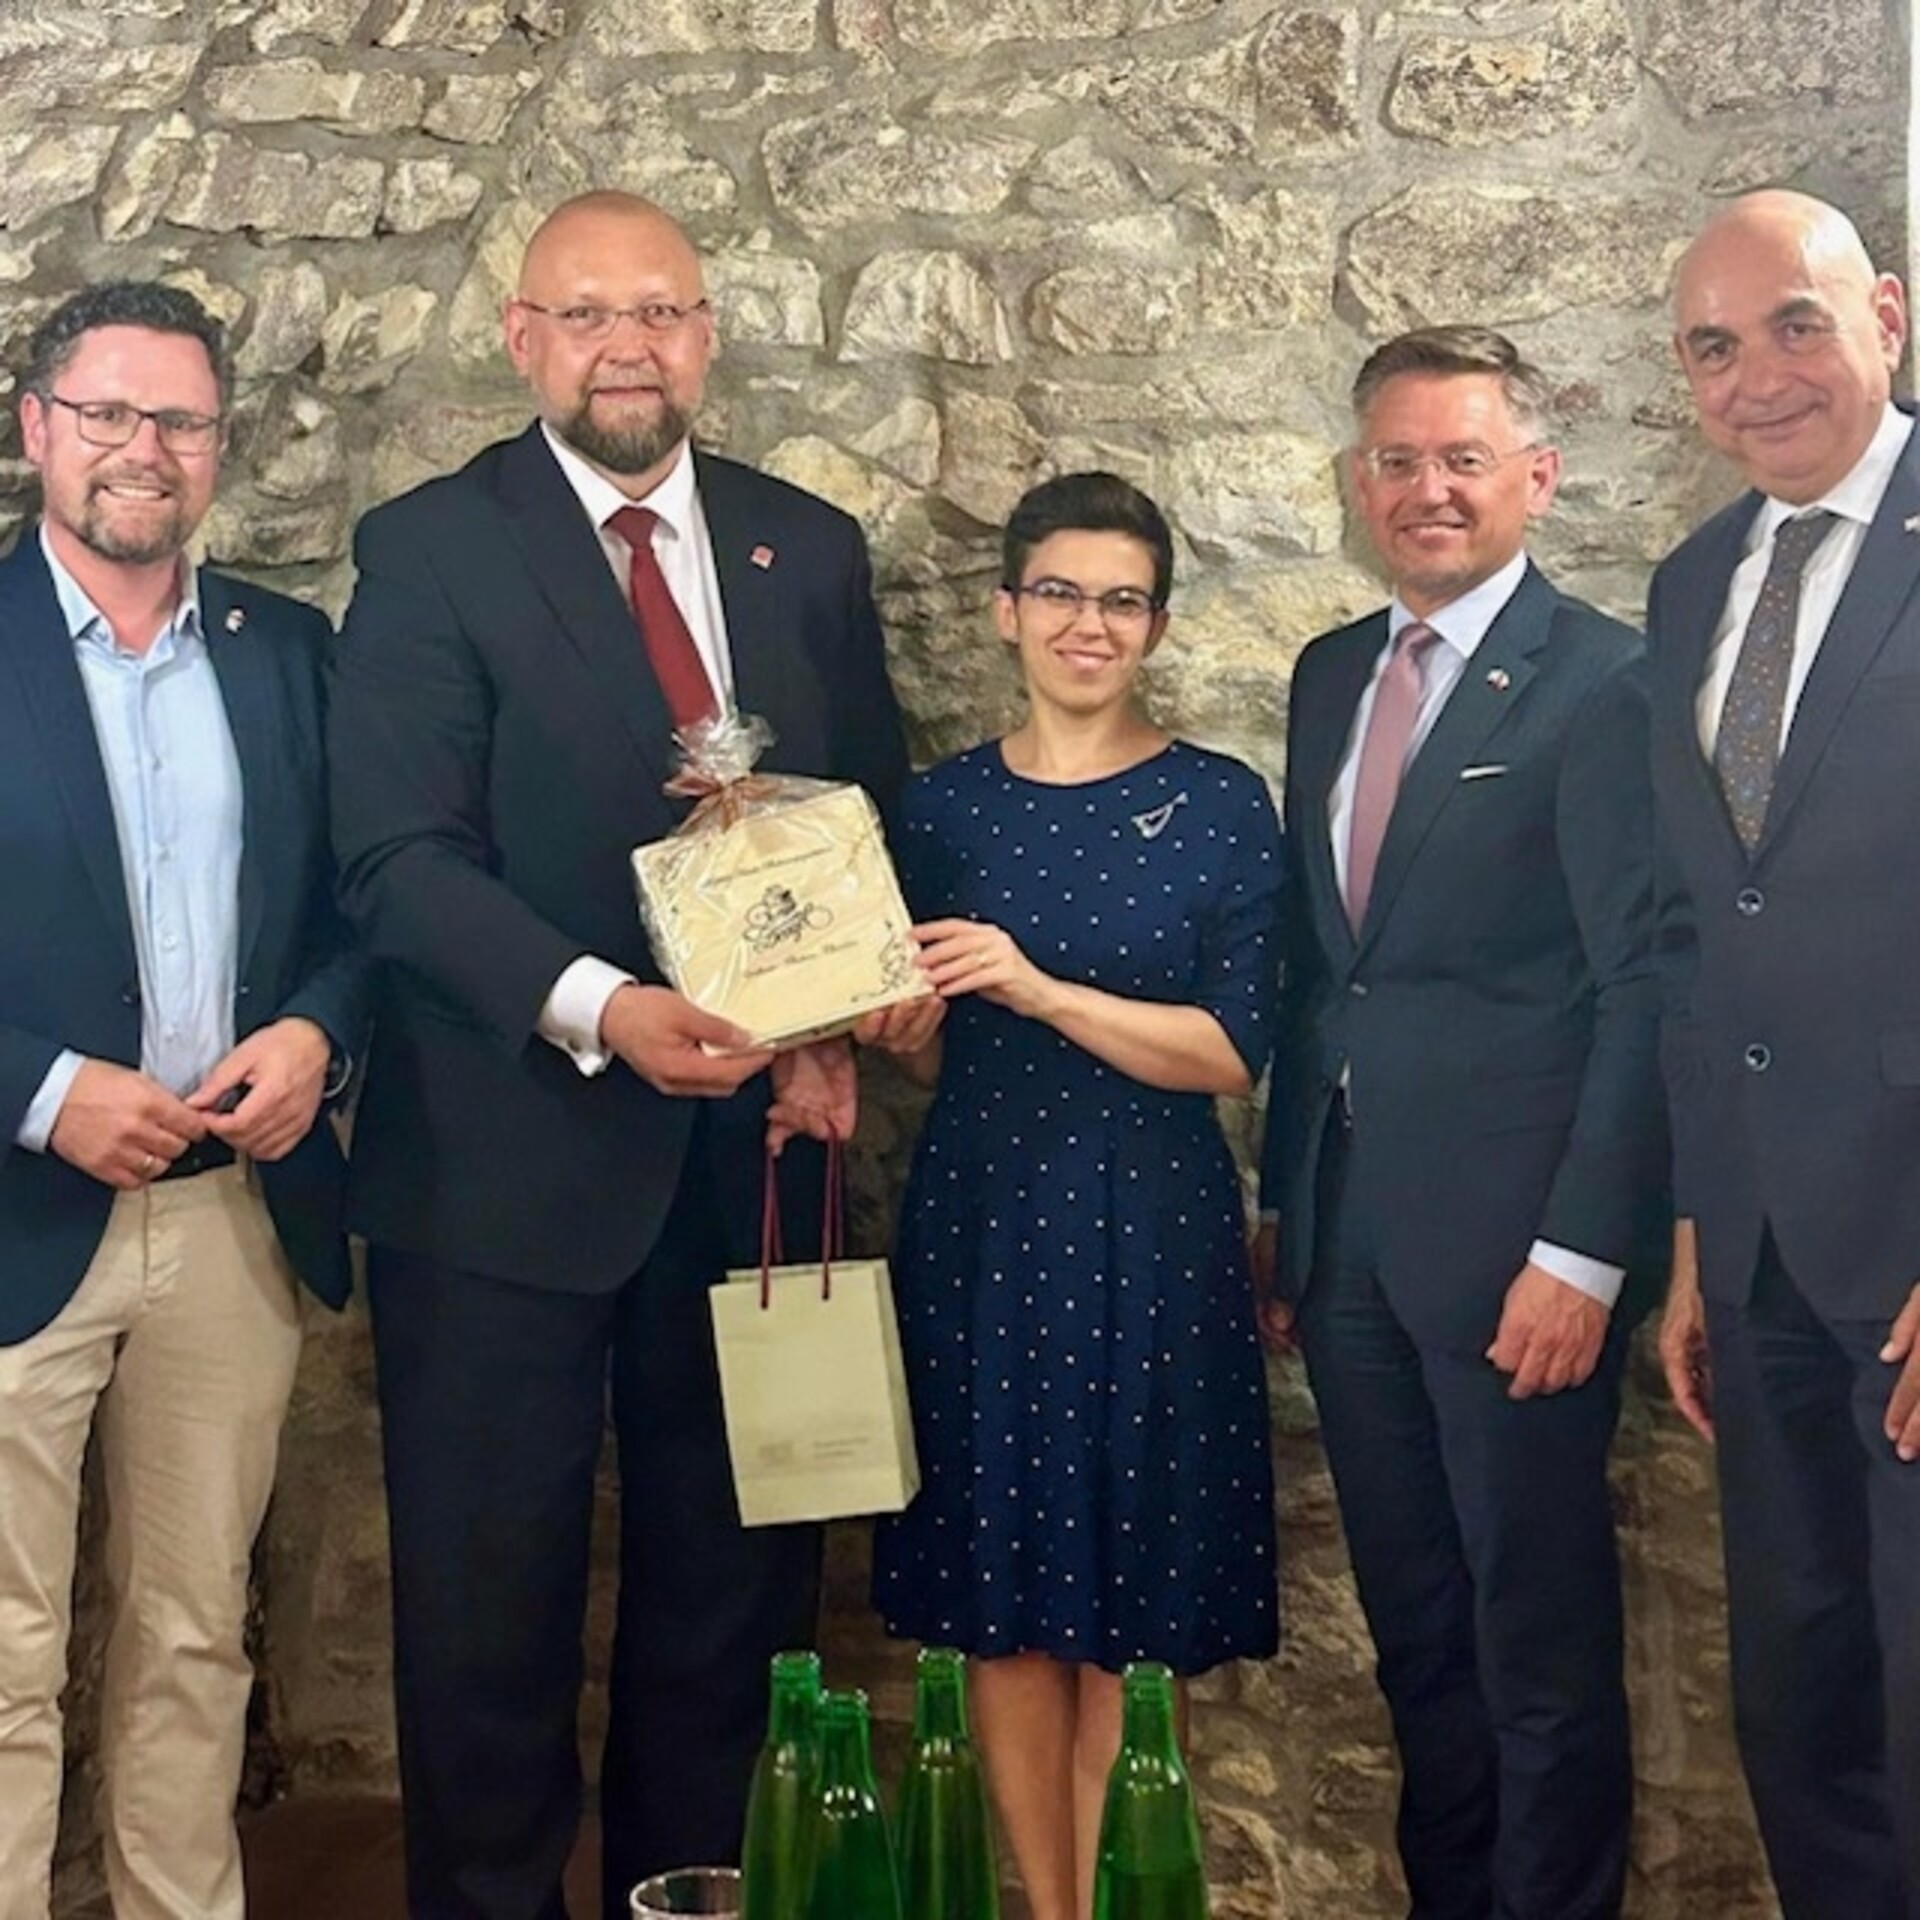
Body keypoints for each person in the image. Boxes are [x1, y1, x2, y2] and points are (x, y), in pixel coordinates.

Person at [326, 191, 914, 1920]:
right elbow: (396, 861)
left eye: (659, 312)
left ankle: (698, 1895)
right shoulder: (430, 547)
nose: (627, 348)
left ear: (707, 334)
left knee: (736, 1598)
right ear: (523, 339)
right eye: (586, 316)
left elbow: (856, 815)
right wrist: (602, 1006)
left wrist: (829, 1033)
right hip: (498, 1163)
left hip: (751, 1161)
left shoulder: (806, 547)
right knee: (486, 1610)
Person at [1255, 327, 1667, 1920]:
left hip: (1520, 1261)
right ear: (1359, 482)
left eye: (1464, 459)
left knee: (1537, 1650)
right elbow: (1324, 975)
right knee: (1417, 1634)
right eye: (1399, 461)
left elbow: (1639, 987)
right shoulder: (1328, 675)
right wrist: (1288, 1203)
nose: (1429, 489)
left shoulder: (1606, 682)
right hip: (1350, 1243)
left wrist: (1584, 1254)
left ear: (1536, 478)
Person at [0, 281, 366, 1920]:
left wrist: (318, 1036)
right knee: (2, 1657)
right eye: (107, 413)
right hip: (16, 1210)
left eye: (180, 420)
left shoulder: (288, 653)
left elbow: (362, 904)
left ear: (219, 447)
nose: (142, 448)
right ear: (38, 429)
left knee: (195, 1635)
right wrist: (41, 1090)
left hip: (232, 1217)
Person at [871, 471, 1282, 1920]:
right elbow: (928, 1048)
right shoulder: (939, 809)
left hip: (1155, 1229)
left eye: (1121, 600)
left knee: (1135, 1615)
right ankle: (1047, 1909)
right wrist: (899, 1028)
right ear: (1005, 611)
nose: (1088, 624)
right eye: (1059, 592)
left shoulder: (1219, 803)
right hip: (982, 1224)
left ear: (1156, 625)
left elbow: (1232, 1052)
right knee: (1005, 1610)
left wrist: (1039, 987)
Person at [1651, 189, 1920, 1920]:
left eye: (1797, 324)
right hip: (1755, 1260)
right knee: (1800, 1709)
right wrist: (1697, 1227)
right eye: (1714, 347)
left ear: (1888, 314)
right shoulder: (1694, 583)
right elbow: (1700, 933)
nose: (1758, 379)